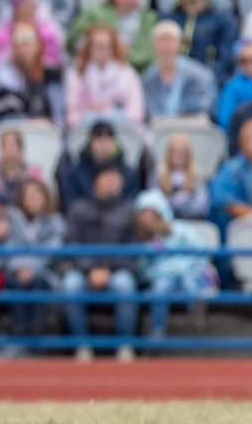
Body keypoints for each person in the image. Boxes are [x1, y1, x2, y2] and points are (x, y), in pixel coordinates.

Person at [62, 161, 139, 360]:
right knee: (70, 285)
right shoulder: (78, 208)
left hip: (117, 270)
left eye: (117, 178)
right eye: (108, 177)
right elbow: (72, 244)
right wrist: (89, 269)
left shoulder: (130, 209)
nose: (113, 182)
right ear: (96, 181)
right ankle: (81, 345)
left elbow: (133, 248)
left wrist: (109, 269)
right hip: (84, 271)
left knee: (125, 285)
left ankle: (125, 345)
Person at [134, 189, 218, 340]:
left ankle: (198, 331)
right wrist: (158, 265)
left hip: (191, 273)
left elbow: (201, 251)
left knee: (190, 285)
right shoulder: (143, 240)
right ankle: (157, 331)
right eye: (144, 215)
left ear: (161, 213)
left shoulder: (181, 230)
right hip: (163, 277)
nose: (148, 219)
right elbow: (142, 271)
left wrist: (182, 266)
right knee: (161, 288)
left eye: (152, 214)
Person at [4, 178, 65, 339]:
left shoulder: (55, 221)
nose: (33, 199)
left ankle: (37, 338)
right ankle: (19, 337)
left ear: (46, 197)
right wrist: (20, 268)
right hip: (16, 273)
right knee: (16, 285)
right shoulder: (11, 219)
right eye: (28, 195)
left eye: (37, 195)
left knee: (38, 285)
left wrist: (31, 269)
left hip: (45, 275)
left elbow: (52, 250)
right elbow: (9, 246)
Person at [64, 24, 145, 129]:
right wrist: (91, 113)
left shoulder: (127, 74)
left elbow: (136, 111)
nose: (101, 50)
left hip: (120, 128)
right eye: (96, 45)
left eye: (106, 45)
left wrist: (110, 112)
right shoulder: (76, 74)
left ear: (113, 47)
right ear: (89, 48)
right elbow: (71, 112)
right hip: (87, 129)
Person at [142, 20, 219, 121]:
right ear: (153, 45)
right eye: (161, 41)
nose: (166, 46)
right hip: (159, 131)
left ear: (180, 45)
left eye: (171, 40)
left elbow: (204, 107)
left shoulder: (199, 74)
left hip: (193, 128)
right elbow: (148, 111)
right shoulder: (148, 78)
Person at [156, 134, 212, 220]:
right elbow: (154, 202)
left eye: (182, 152)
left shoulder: (196, 175)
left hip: (191, 220)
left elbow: (202, 206)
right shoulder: (159, 174)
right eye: (175, 152)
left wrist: (183, 204)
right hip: (165, 222)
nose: (178, 156)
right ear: (168, 153)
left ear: (188, 155)